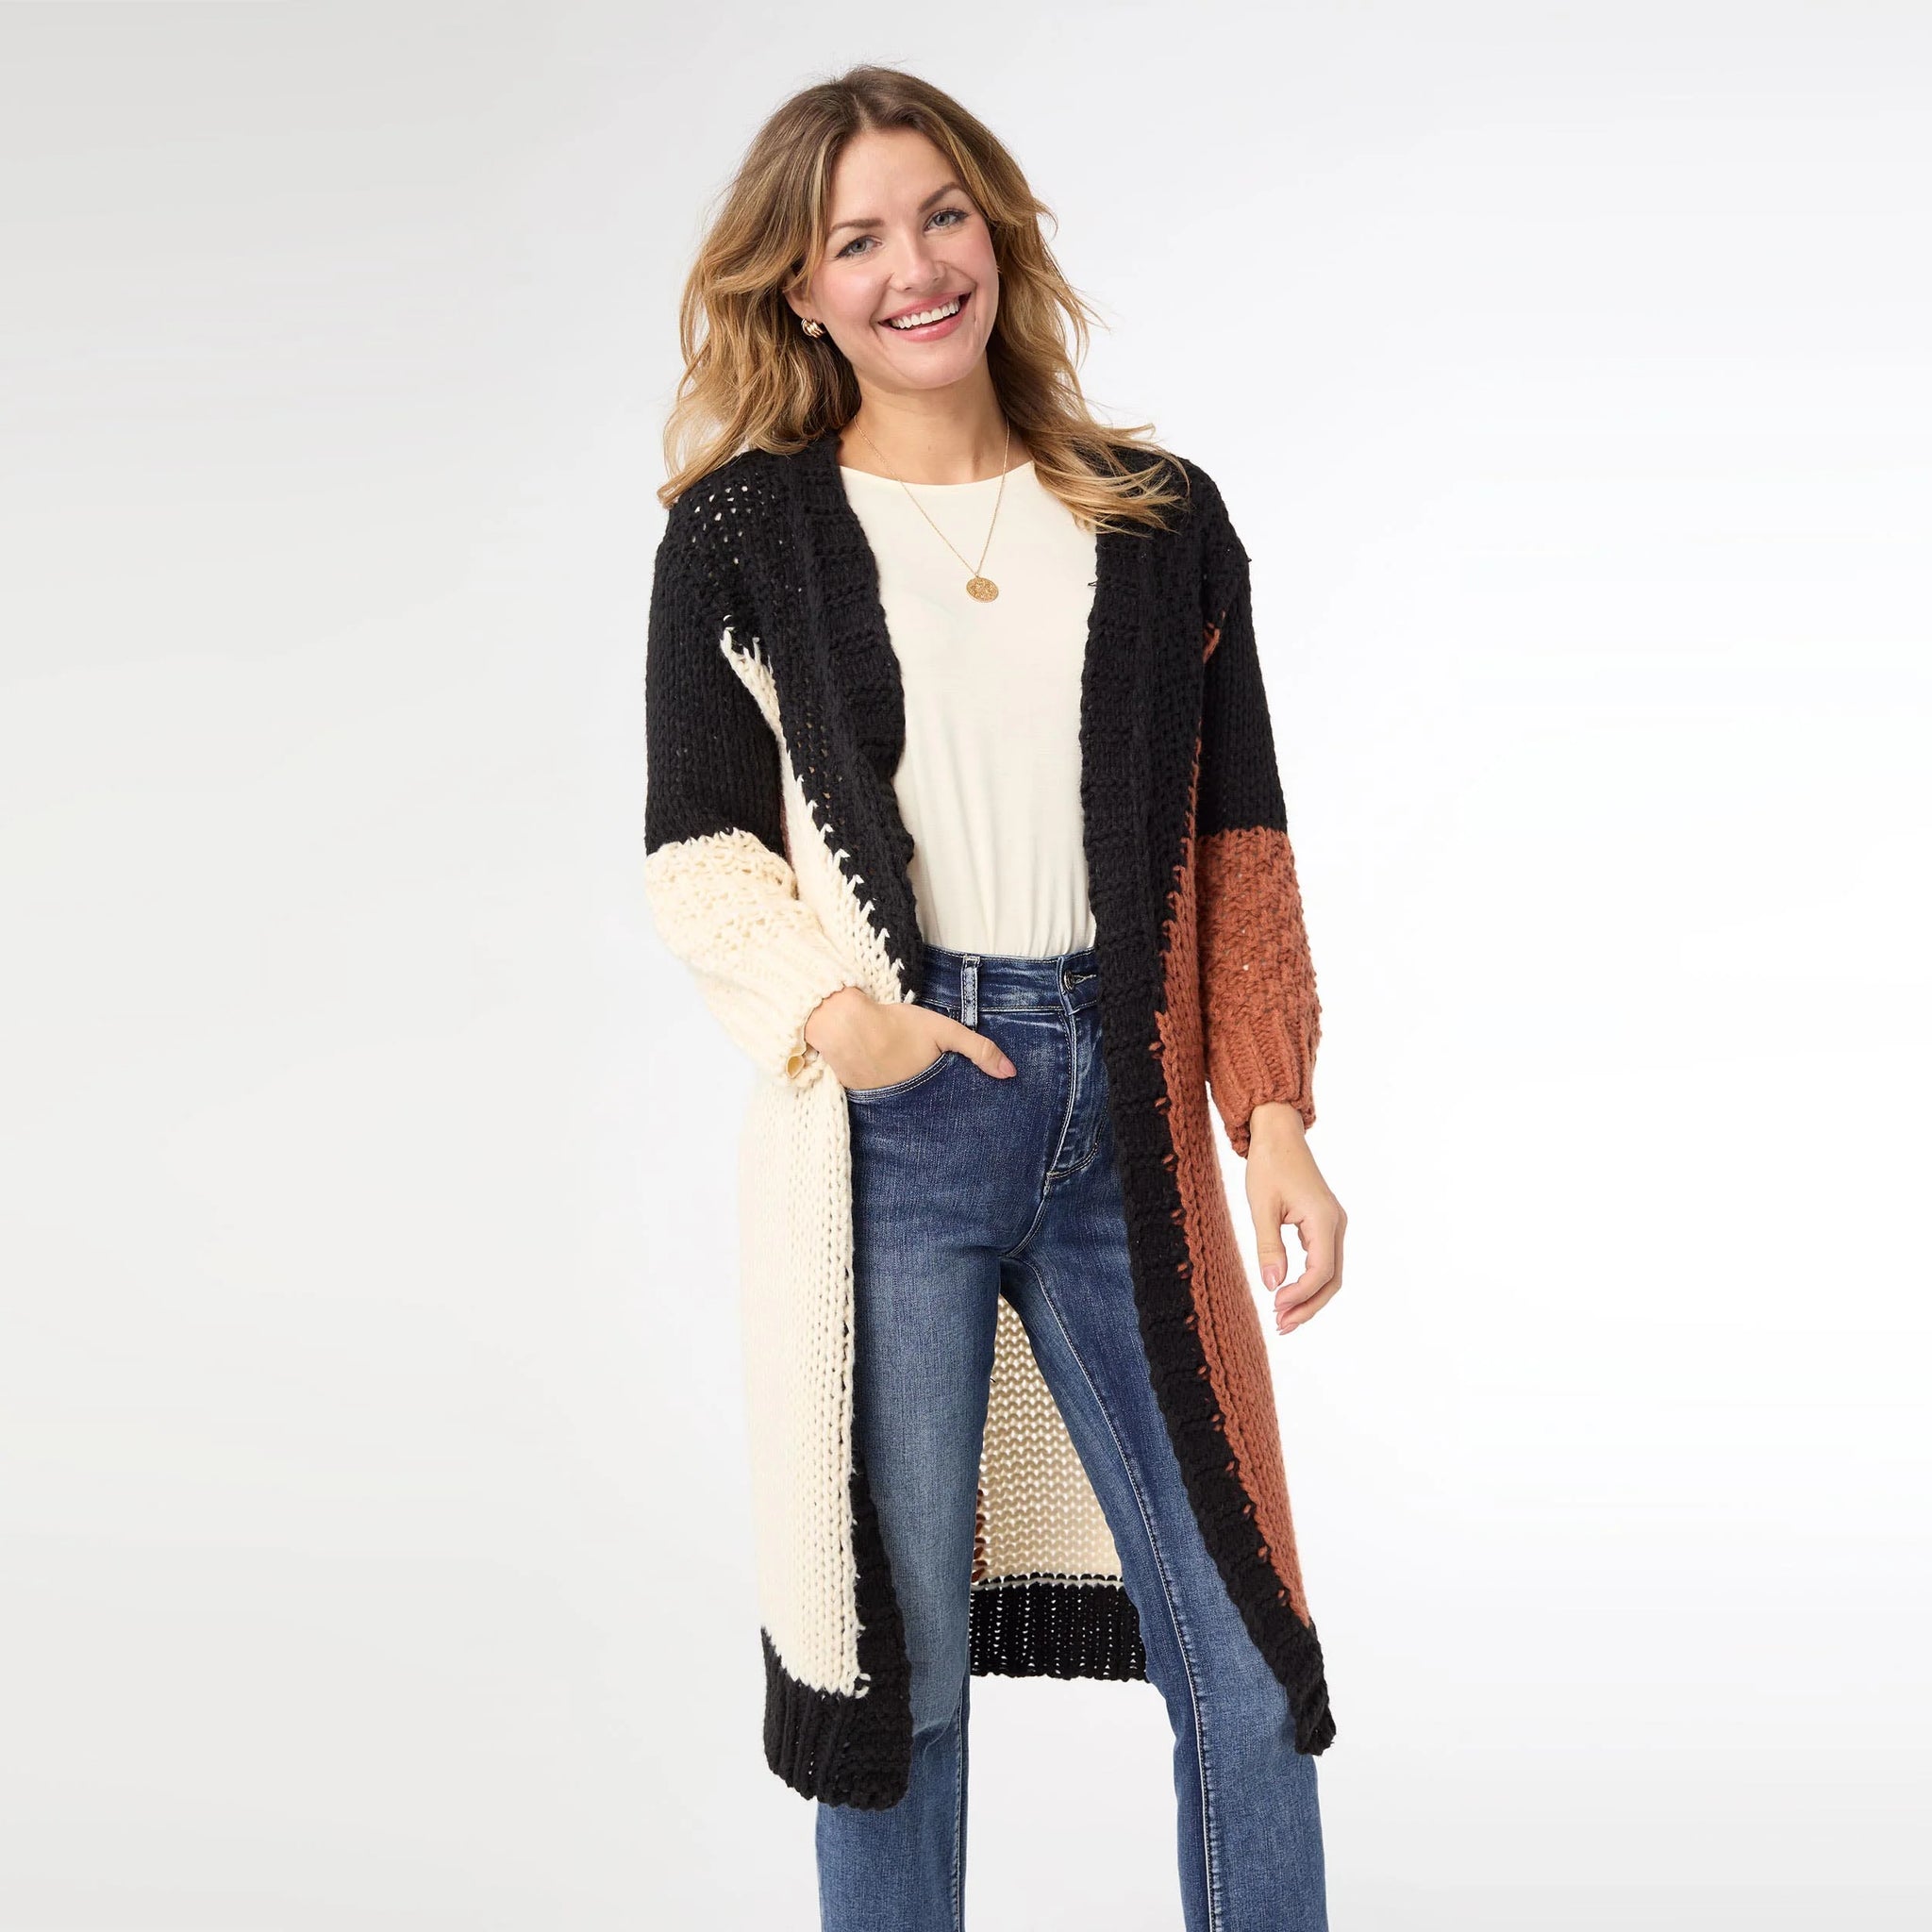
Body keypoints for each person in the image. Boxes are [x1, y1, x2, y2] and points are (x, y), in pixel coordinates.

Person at [644, 63, 1347, 1932]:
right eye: (856, 240)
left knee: (1244, 1655)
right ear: (800, 290)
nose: (914, 268)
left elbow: (1239, 850)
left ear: (998, 229)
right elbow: (702, 857)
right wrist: (846, 1022)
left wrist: (1273, 1116)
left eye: (941, 215)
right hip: (897, 1127)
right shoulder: (741, 535)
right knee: (904, 1680)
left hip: (1133, 1118)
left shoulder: (1160, 520)